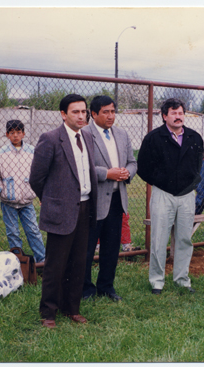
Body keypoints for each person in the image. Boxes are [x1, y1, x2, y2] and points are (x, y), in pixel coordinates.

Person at [30, 94, 98, 328]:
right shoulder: (50, 139)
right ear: (63, 114)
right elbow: (36, 178)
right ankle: (48, 312)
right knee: (55, 265)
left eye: (83, 111)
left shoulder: (87, 136)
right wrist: (52, 201)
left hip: (85, 207)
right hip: (61, 211)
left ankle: (72, 308)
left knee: (79, 262)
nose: (81, 116)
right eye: (75, 112)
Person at [137, 98, 204, 295]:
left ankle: (182, 279)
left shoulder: (195, 138)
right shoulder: (153, 138)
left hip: (186, 195)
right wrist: (161, 182)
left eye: (181, 113)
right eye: (173, 113)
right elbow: (143, 167)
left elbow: (198, 165)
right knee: (159, 239)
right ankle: (157, 281)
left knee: (184, 239)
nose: (178, 116)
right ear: (164, 116)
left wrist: (190, 184)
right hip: (163, 194)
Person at [81, 95, 137, 301]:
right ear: (93, 114)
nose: (110, 116)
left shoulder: (122, 134)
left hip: (116, 199)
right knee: (87, 248)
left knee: (111, 247)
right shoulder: (84, 134)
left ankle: (106, 286)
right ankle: (85, 289)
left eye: (113, 111)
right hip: (93, 201)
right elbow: (82, 167)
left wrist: (127, 173)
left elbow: (133, 161)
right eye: (106, 112)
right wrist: (107, 174)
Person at [0, 120, 46, 263]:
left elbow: (38, 172)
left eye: (18, 132)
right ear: (7, 135)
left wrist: (35, 190)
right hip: (8, 201)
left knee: (33, 230)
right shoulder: (2, 153)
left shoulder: (32, 151)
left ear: (23, 134)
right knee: (13, 232)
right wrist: (1, 191)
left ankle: (41, 259)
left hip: (27, 200)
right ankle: (18, 261)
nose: (16, 136)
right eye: (12, 133)